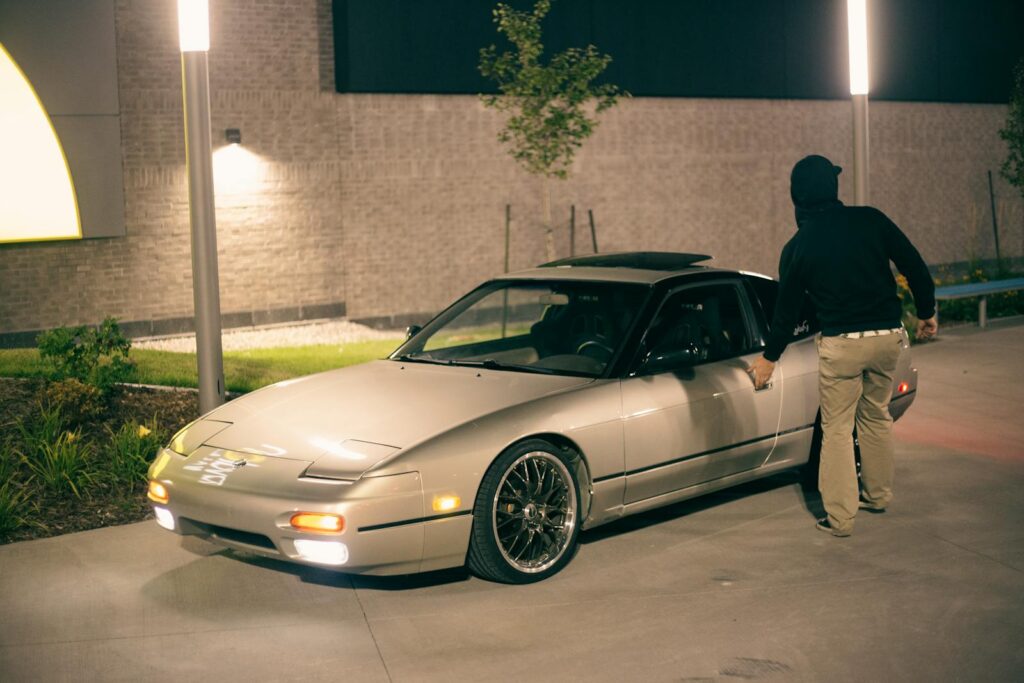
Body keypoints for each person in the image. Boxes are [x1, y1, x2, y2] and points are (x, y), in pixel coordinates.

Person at [747, 154, 938, 537]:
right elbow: (914, 265)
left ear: (796, 197)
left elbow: (785, 314)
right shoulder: (871, 219)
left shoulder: (798, 246)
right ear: (832, 188)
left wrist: (770, 358)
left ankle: (840, 517)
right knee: (876, 415)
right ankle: (878, 495)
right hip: (887, 339)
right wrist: (927, 312)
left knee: (836, 428)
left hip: (842, 345)